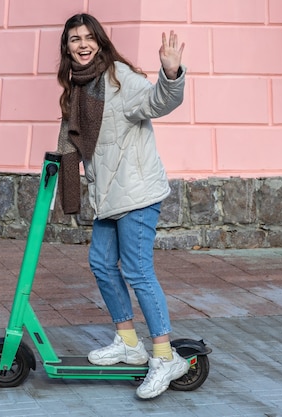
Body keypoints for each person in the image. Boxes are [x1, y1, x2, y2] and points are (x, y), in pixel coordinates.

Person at [55, 13, 188, 399]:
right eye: (74, 39)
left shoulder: (118, 79)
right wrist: (60, 162)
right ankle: (129, 342)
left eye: (88, 37)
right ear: (66, 47)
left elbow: (158, 101)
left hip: (137, 193)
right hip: (109, 195)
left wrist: (171, 73)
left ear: (100, 41)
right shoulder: (76, 88)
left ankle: (165, 356)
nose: (82, 44)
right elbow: (70, 137)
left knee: (137, 270)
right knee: (100, 262)